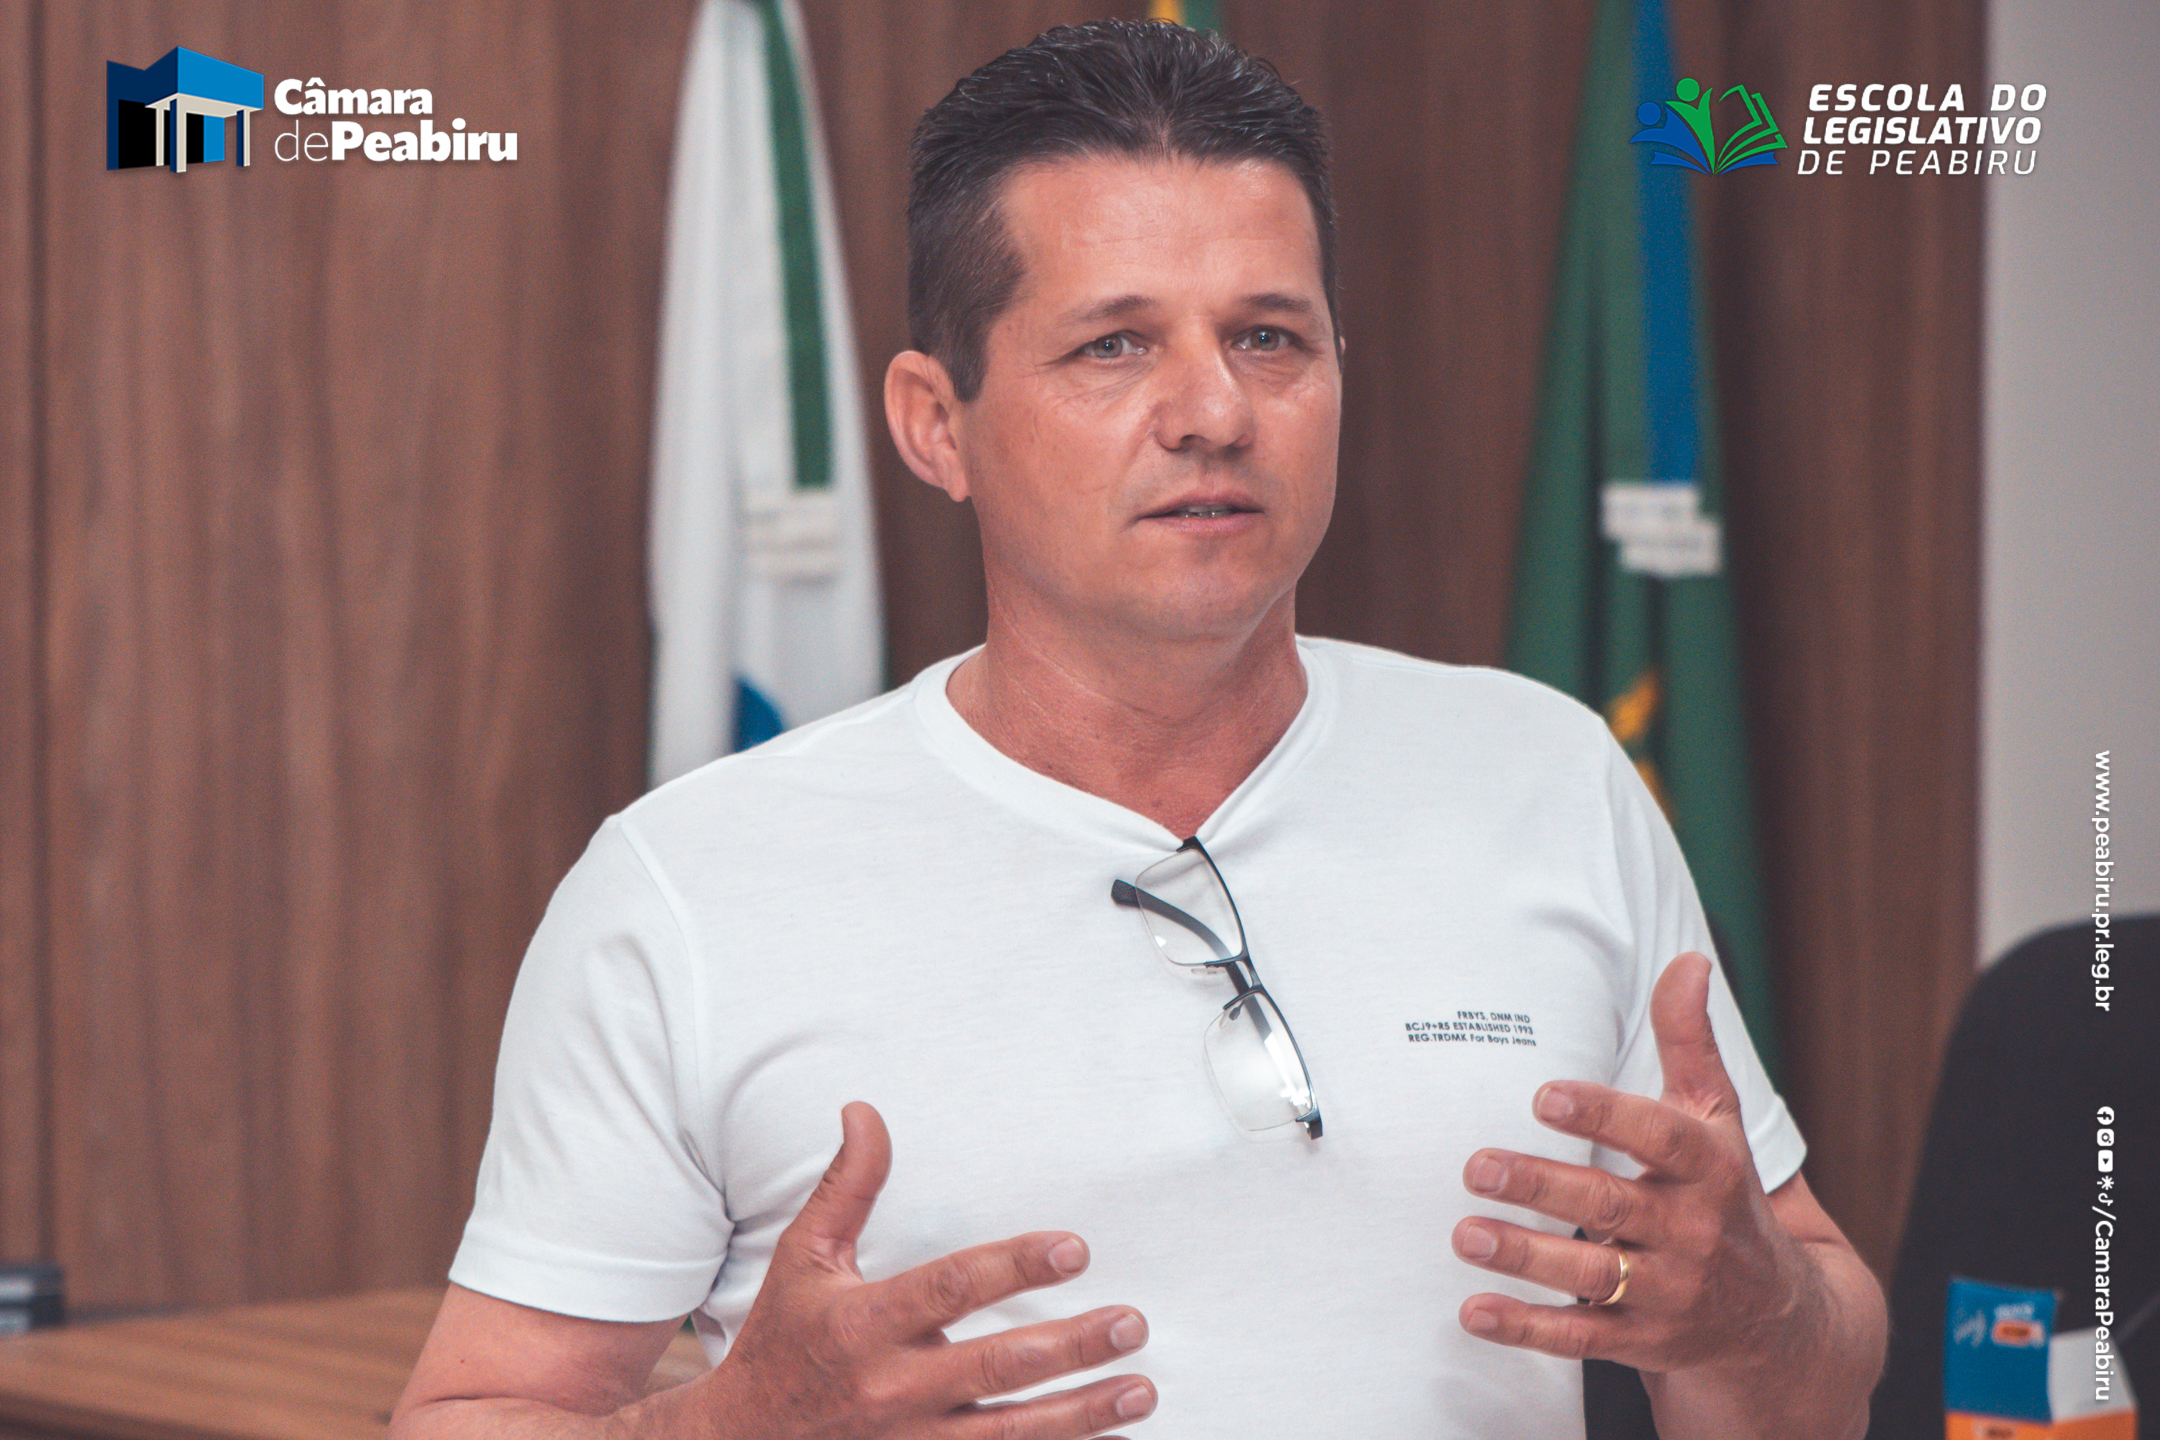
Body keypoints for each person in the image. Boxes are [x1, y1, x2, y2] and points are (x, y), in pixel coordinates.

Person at [392, 20, 1886, 1440]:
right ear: (935, 423)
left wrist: (1755, 1321)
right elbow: (466, 1410)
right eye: (1114, 345)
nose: (1213, 410)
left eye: (1270, 337)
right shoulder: (688, 887)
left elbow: (1815, 1354)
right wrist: (733, 1426)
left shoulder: (1549, 775)